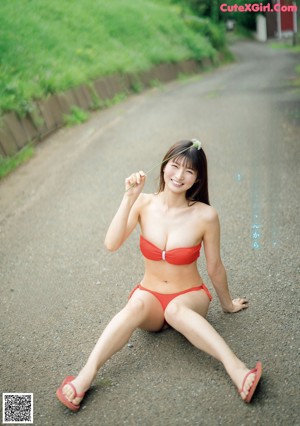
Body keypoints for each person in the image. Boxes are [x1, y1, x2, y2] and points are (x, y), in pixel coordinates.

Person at [56, 140, 262, 411]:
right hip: (151, 299)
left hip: (189, 297)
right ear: (164, 167)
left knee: (175, 310)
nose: (179, 176)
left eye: (189, 171)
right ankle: (84, 377)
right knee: (136, 304)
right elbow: (111, 243)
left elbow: (215, 267)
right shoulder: (143, 203)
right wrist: (129, 197)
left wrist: (228, 304)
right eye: (174, 167)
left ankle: (238, 369)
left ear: (198, 177)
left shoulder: (206, 216)